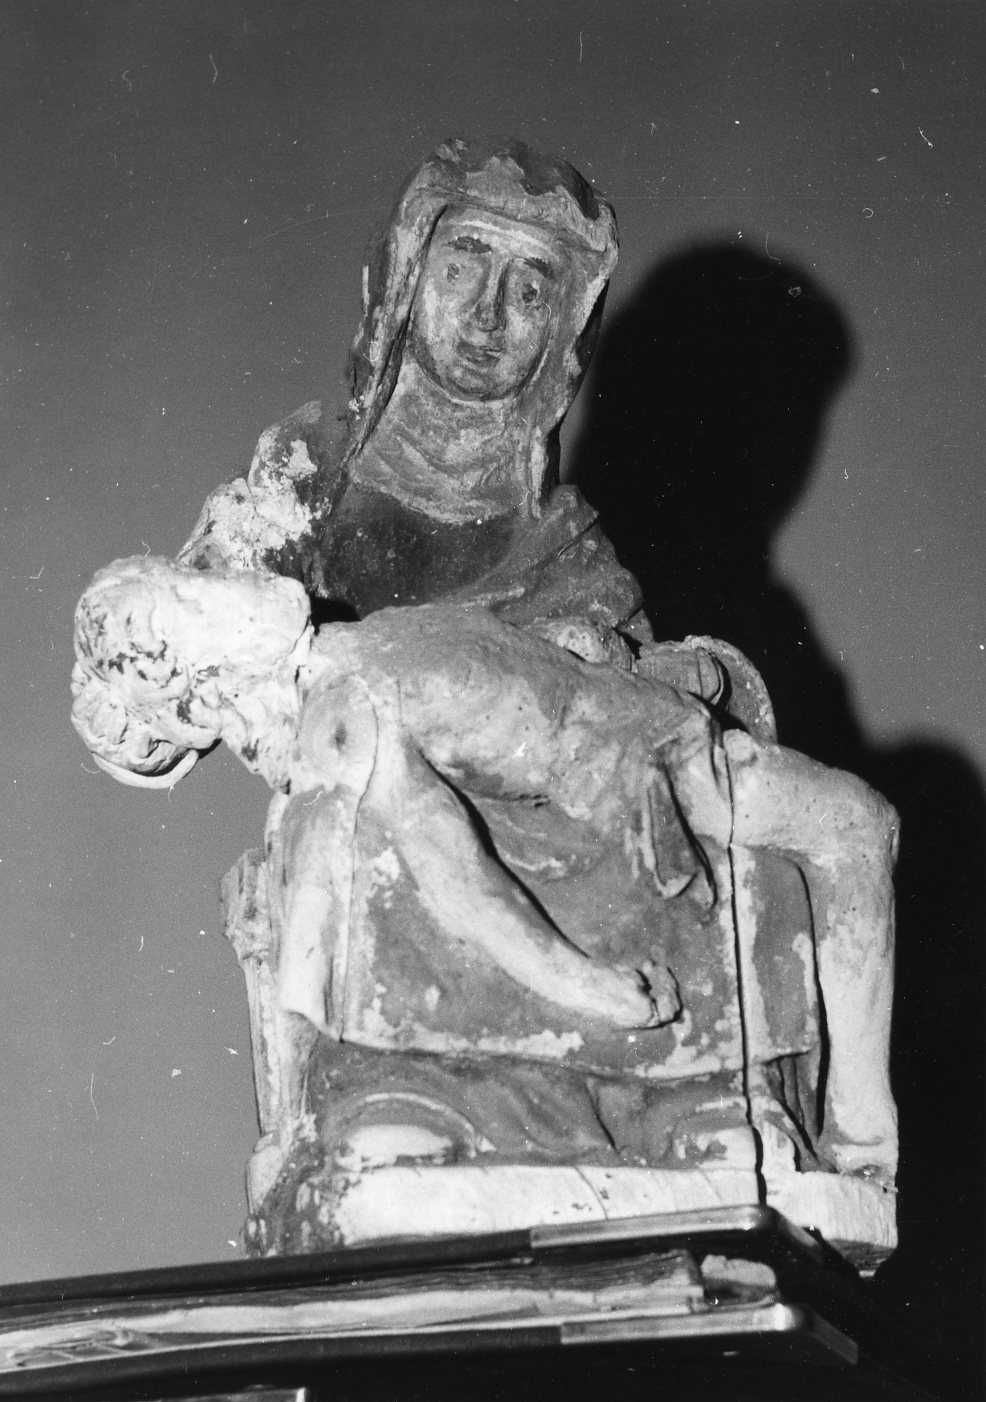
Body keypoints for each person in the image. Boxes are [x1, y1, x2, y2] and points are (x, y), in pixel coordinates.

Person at [72, 140, 898, 1252]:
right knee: (381, 808)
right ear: (407, 272)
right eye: (464, 262)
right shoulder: (312, 474)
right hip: (390, 768)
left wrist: (668, 669)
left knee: (711, 817)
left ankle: (699, 1108)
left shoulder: (558, 528)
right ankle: (398, 1096)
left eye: (532, 287)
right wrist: (144, 698)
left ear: (564, 333)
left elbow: (635, 667)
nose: (489, 312)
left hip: (568, 762)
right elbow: (191, 640)